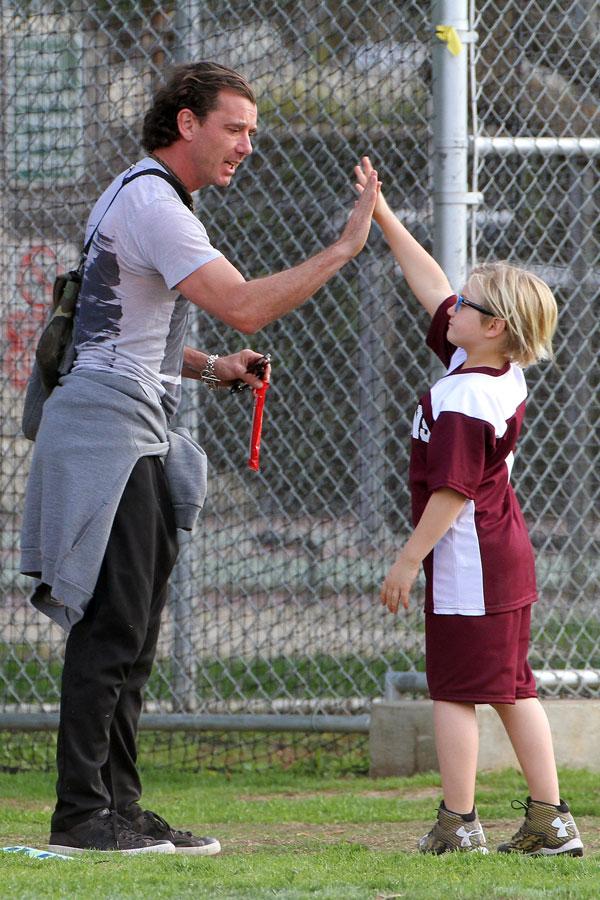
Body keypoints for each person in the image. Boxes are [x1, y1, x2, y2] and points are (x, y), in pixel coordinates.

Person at [19, 62, 379, 857]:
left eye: (252, 131)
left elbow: (119, 327)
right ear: (187, 123)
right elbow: (245, 302)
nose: (248, 145)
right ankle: (80, 816)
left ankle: (119, 807)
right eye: (236, 128)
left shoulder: (144, 193)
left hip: (129, 419)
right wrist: (347, 246)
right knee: (112, 628)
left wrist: (214, 367)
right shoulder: (153, 200)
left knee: (133, 631)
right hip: (106, 428)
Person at [354, 156, 583, 857]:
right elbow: (432, 286)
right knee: (514, 687)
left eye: (472, 305)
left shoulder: (461, 395)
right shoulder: (487, 366)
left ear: (499, 329)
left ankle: (460, 825)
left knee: (455, 690)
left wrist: (406, 559)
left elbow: (452, 492)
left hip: (468, 557)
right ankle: (550, 822)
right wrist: (383, 215)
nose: (456, 307)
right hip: (500, 550)